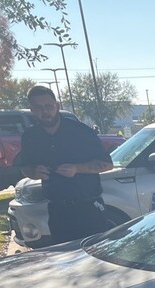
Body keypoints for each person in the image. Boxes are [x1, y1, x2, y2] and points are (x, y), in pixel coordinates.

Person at [14, 85, 113, 243]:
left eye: (49, 106)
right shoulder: (30, 137)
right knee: (66, 259)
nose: (45, 112)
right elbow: (25, 167)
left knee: (95, 259)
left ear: (57, 106)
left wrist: (77, 168)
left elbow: (107, 164)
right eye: (39, 107)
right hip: (58, 210)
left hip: (89, 207)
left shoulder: (81, 132)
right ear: (31, 109)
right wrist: (34, 172)